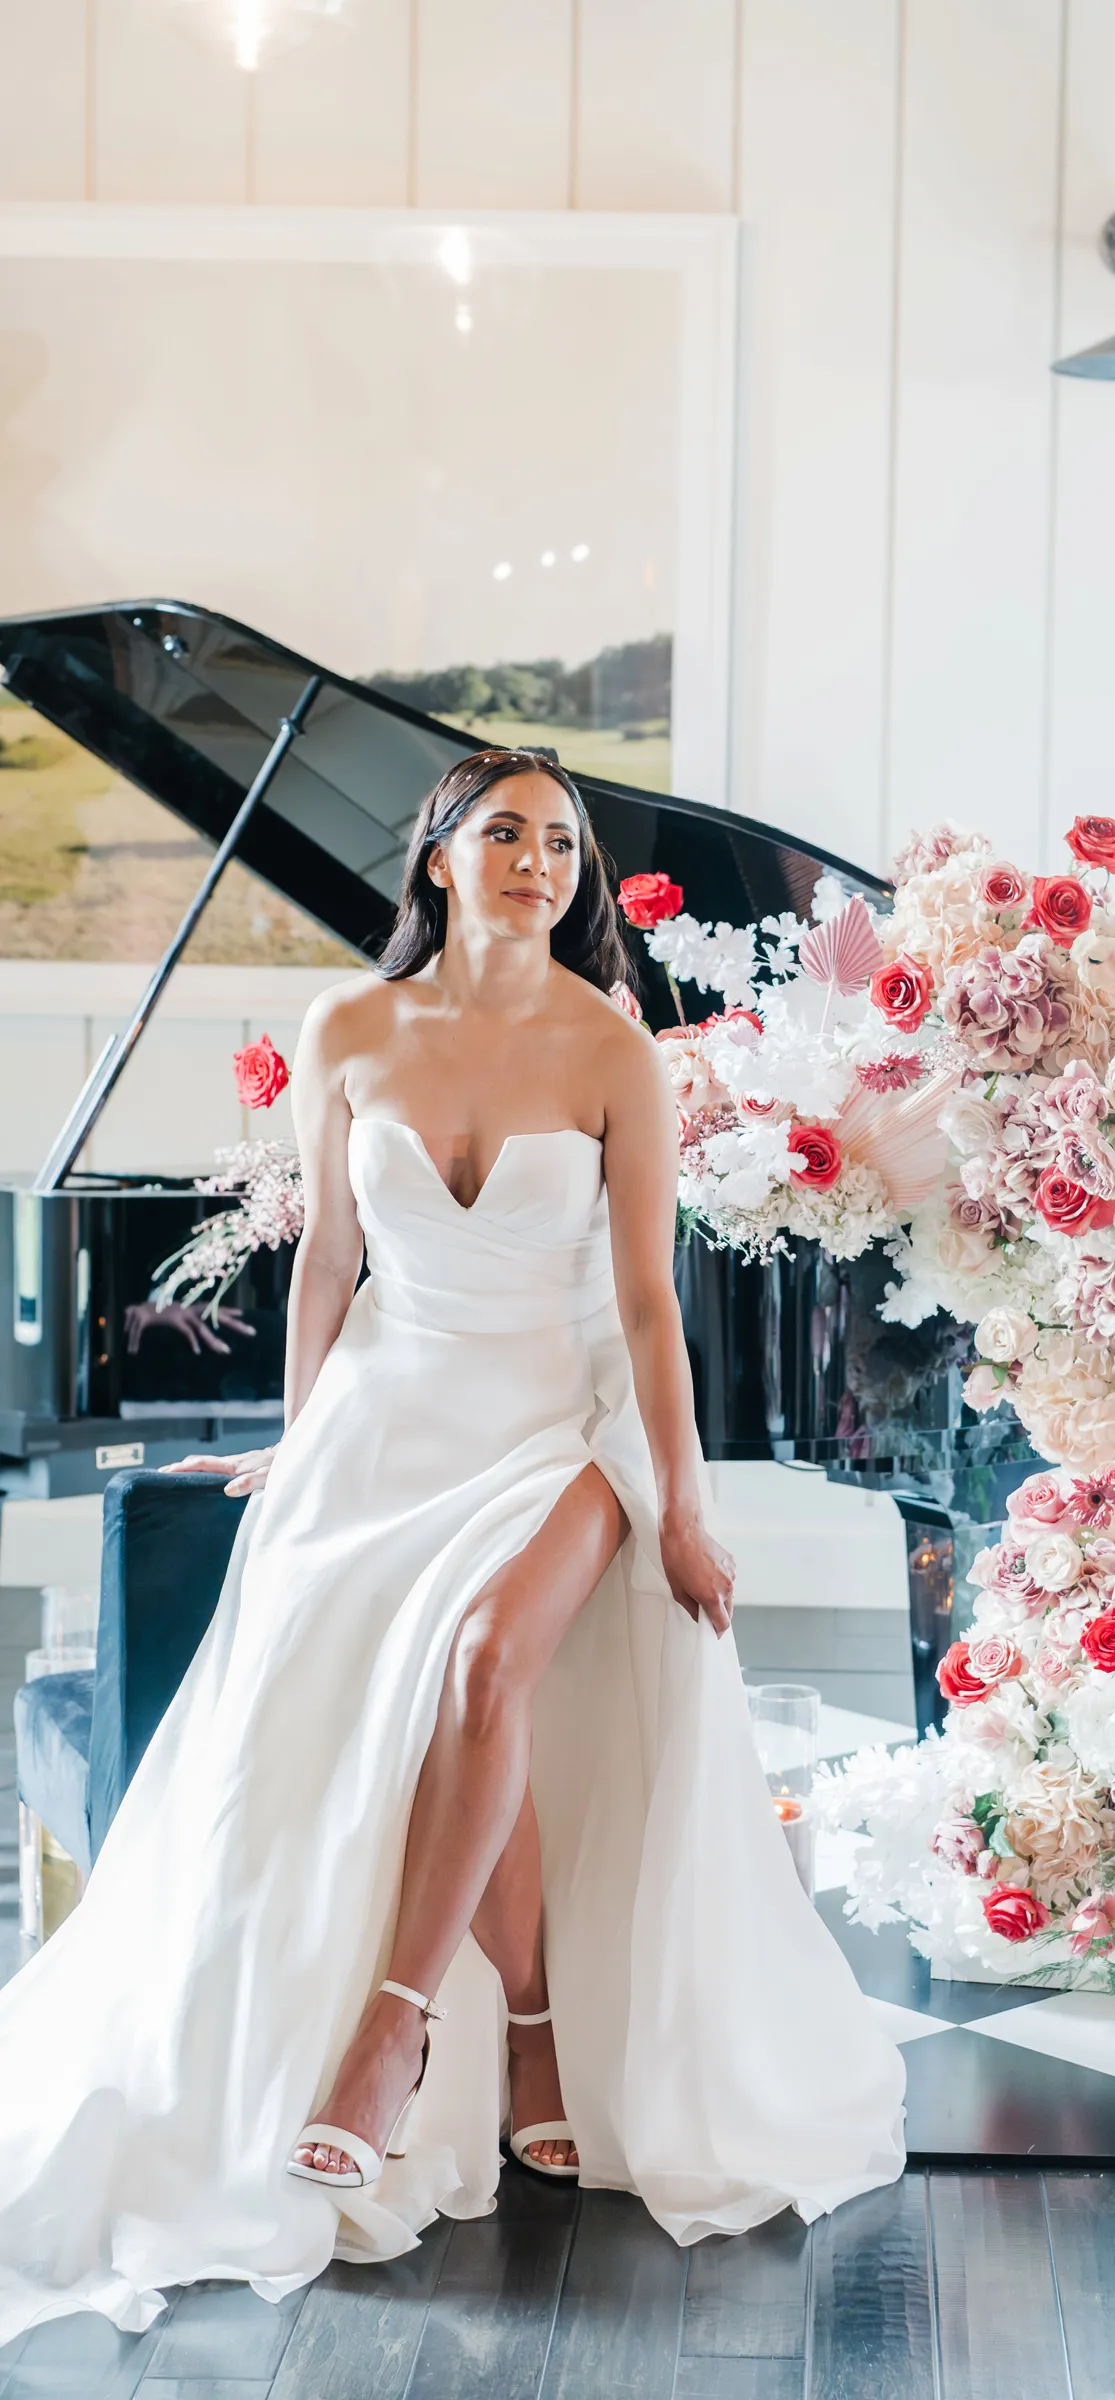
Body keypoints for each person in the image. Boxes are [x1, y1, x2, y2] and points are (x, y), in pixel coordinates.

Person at [0, 747, 905, 2345]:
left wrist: (685, 1505)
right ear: (438, 859)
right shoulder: (348, 1029)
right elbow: (329, 1267)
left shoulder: (615, 1048)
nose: (537, 862)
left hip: (568, 1422)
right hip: (385, 1421)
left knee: (489, 1659)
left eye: (562, 843)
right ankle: (537, 2026)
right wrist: (299, 1444)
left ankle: (393, 2032)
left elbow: (647, 1305)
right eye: (505, 834)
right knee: (427, 1700)